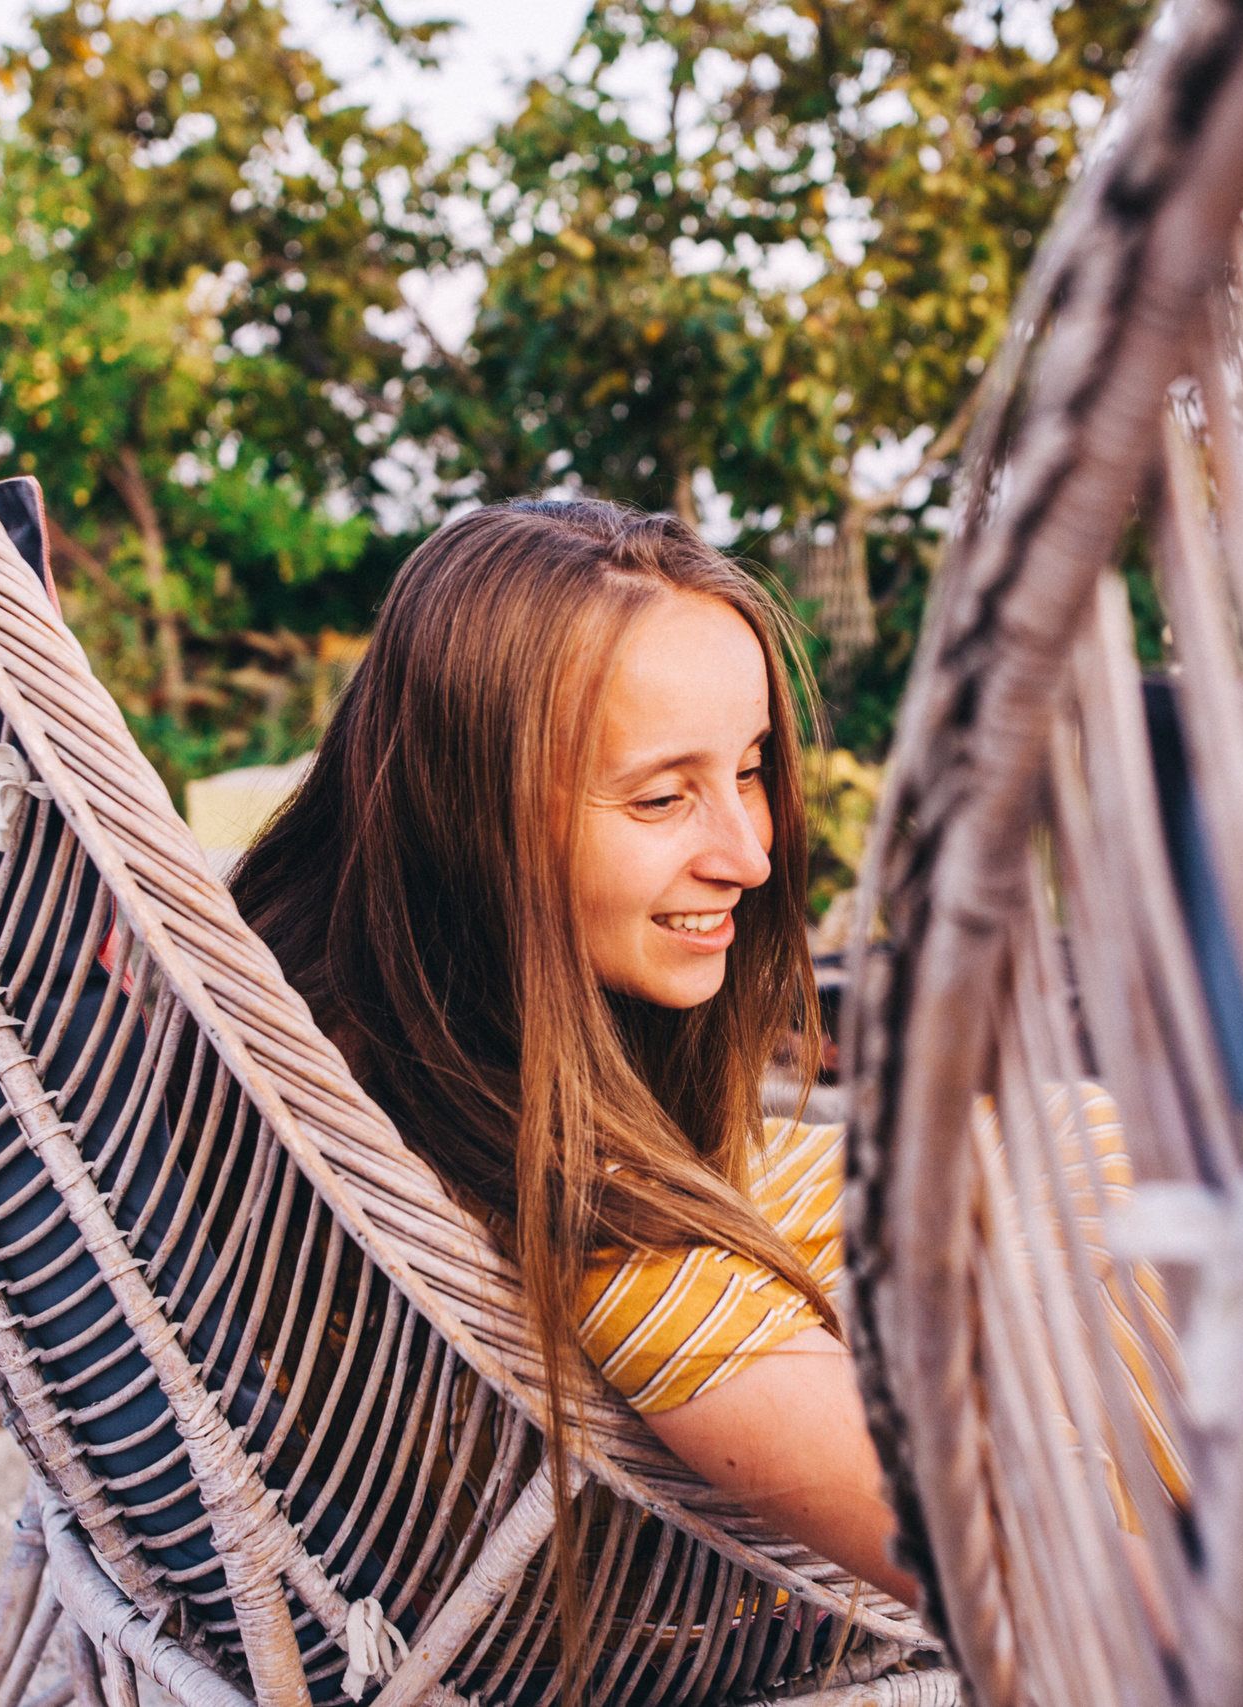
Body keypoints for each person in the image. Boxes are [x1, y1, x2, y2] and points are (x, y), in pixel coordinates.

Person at [227, 497, 920, 1610]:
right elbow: (1065, 1597)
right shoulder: (609, 1239)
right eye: (660, 797)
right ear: (471, 816)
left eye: (748, 770)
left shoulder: (397, 1047)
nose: (750, 855)